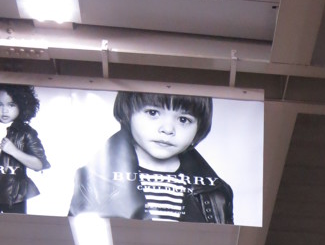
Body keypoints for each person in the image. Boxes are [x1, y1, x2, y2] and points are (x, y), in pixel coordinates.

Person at [69, 91, 233, 223]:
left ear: (199, 126)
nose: (168, 129)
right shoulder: (94, 179)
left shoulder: (216, 191)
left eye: (183, 119)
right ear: (128, 113)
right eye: (153, 112)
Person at [0, 84, 50, 213]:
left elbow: (39, 164)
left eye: (11, 105)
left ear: (22, 105)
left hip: (13, 195)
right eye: (0, 104)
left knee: (13, 230)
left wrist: (14, 152)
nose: (4, 111)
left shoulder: (26, 133)